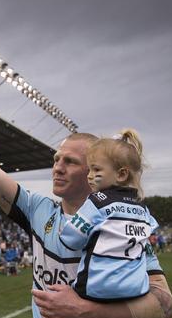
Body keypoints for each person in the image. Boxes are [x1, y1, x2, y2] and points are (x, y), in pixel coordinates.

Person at [0, 55, 172, 318]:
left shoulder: (120, 223)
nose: (57, 168)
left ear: (94, 172)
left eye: (70, 162)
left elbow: (163, 306)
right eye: (56, 159)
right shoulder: (38, 210)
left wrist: (82, 311)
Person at [59, 130, 158, 304]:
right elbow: (150, 234)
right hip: (136, 288)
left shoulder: (98, 201)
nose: (89, 175)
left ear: (121, 174)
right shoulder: (142, 208)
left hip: (97, 288)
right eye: (89, 169)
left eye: (96, 169)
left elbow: (70, 239)